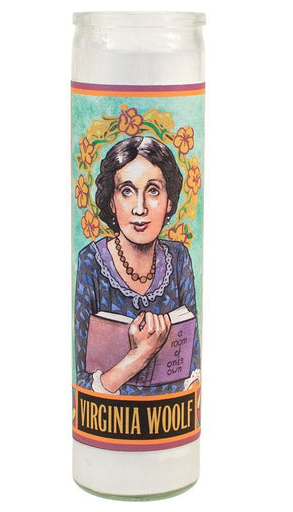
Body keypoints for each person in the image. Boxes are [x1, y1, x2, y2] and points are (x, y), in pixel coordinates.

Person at [75, 136, 200, 396]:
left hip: (170, 412)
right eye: (127, 191)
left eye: (153, 190)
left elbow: (195, 364)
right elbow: (81, 381)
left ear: (169, 201)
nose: (140, 208)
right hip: (109, 414)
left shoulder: (179, 259)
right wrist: (140, 355)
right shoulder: (91, 263)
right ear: (112, 202)